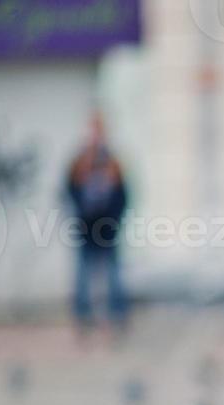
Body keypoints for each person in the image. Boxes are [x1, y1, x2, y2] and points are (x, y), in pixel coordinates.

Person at [65, 112, 129, 338]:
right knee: (82, 277)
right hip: (86, 229)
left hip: (108, 230)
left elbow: (123, 194)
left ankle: (117, 316)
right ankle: (83, 318)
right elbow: (69, 191)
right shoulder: (79, 162)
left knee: (114, 276)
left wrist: (115, 219)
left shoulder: (113, 162)